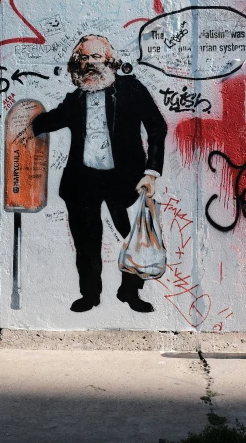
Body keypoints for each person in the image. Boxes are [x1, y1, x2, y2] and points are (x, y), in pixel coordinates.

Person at [31, 35, 167, 313]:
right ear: (76, 63)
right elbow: (49, 122)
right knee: (86, 242)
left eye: (95, 57)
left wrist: (151, 173)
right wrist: (22, 120)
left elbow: (157, 126)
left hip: (125, 180)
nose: (89, 63)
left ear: (109, 60)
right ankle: (90, 294)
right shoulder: (76, 98)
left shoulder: (131, 89)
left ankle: (130, 293)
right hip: (83, 182)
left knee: (132, 238)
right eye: (83, 58)